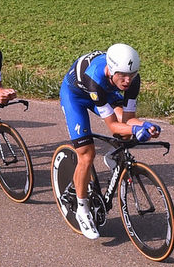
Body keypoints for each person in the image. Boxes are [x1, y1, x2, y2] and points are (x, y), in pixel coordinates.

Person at [59, 44, 160, 239]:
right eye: (122, 75)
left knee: (128, 130)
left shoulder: (131, 79)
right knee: (87, 154)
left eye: (132, 74)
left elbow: (128, 118)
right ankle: (82, 209)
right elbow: (113, 126)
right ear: (111, 70)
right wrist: (135, 127)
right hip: (76, 96)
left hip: (104, 93)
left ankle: (114, 157)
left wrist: (146, 125)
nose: (128, 80)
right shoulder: (95, 77)